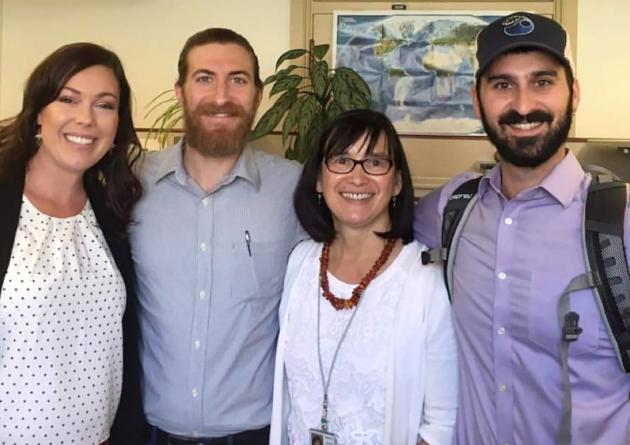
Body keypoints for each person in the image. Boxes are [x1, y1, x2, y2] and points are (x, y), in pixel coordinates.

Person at [414, 11, 630, 445]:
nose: (524, 104)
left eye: (543, 82)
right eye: (502, 84)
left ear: (574, 94)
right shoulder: (451, 209)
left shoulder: (620, 224)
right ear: (478, 101)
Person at [129, 28, 303, 445]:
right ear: (180, 91)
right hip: (149, 431)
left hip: (256, 433)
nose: (221, 96)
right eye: (205, 78)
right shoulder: (131, 184)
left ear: (258, 94)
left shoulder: (296, 189)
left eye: (238, 79)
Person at [270, 109, 457, 445]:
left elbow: (442, 422)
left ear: (396, 182)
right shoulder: (301, 263)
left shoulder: (425, 279)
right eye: (342, 160)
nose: (357, 177)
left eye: (375, 162)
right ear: (318, 179)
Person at [0, 43, 145, 444]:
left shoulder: (112, 212)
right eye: (68, 99)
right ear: (38, 113)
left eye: (105, 105)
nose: (86, 119)